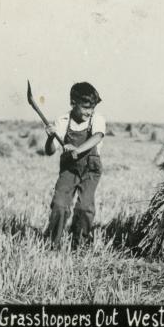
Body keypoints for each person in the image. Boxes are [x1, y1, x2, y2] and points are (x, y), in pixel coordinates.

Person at [43, 82, 106, 249]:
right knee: (59, 204)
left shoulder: (97, 119)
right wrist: (50, 137)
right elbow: (49, 151)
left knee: (85, 207)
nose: (89, 111)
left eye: (92, 107)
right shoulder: (63, 120)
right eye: (85, 107)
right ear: (73, 103)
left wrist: (77, 150)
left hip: (90, 169)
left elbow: (97, 136)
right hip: (69, 169)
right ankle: (53, 244)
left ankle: (80, 245)